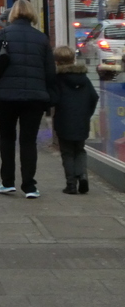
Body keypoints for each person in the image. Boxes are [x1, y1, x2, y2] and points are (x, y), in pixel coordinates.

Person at [0, 0, 56, 198]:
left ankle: (7, 182)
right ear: (32, 14)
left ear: (12, 14)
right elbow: (50, 71)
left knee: (7, 137)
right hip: (35, 97)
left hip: (6, 96)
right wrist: (50, 99)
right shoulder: (41, 38)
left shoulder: (3, 34)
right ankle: (30, 186)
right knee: (29, 141)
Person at [51, 45, 99, 195]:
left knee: (67, 152)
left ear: (57, 62)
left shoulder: (58, 79)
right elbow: (94, 97)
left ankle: (71, 184)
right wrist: (87, 114)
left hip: (64, 120)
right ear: (73, 59)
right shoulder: (83, 78)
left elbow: (53, 99)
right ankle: (83, 176)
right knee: (80, 150)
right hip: (82, 120)